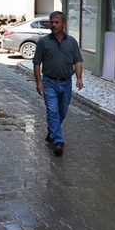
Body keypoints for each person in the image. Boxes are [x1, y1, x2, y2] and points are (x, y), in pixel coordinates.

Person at [33, 11, 83, 156]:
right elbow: (37, 63)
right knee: (53, 110)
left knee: (62, 112)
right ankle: (58, 141)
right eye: (51, 22)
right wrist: (38, 81)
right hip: (49, 82)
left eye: (56, 22)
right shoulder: (43, 42)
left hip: (66, 83)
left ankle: (52, 133)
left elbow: (78, 61)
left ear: (64, 24)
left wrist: (79, 78)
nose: (53, 25)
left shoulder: (71, 42)